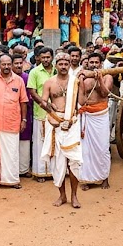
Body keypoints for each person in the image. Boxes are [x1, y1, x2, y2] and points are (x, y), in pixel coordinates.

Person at [41, 53, 83, 207]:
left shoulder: (76, 82)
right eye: (61, 64)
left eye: (66, 64)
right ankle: (62, 196)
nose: (64, 66)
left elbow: (82, 102)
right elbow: (44, 101)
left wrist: (72, 120)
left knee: (74, 161)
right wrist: (48, 106)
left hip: (72, 122)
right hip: (55, 123)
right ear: (56, 65)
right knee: (57, 163)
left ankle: (74, 196)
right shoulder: (49, 83)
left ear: (69, 64)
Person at [0, 54, 29, 190]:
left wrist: (24, 120)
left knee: (13, 152)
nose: (7, 67)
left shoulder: (19, 80)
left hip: (13, 121)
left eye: (9, 64)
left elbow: (23, 102)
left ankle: (13, 180)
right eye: (4, 64)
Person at [77, 53, 112, 189]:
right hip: (86, 115)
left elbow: (105, 93)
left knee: (102, 148)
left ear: (101, 64)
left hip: (100, 116)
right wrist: (80, 82)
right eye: (91, 62)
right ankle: (86, 179)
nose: (94, 65)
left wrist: (100, 80)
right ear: (87, 63)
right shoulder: (83, 78)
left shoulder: (108, 76)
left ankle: (104, 178)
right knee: (85, 149)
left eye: (96, 62)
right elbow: (80, 100)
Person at [27, 48, 56, 180]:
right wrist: (45, 105)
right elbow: (32, 93)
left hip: (58, 113)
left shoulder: (57, 70)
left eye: (48, 57)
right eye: (43, 57)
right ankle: (40, 173)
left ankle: (55, 171)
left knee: (55, 143)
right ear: (38, 58)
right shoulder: (34, 72)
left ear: (52, 57)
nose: (45, 59)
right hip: (41, 112)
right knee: (40, 144)